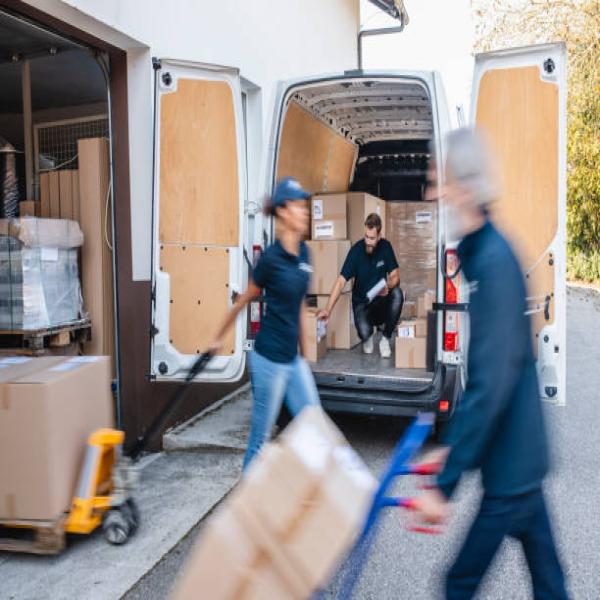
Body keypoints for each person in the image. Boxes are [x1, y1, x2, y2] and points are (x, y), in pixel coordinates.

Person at [413, 128, 568, 599]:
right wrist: (450, 449)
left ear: (462, 185)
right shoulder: (482, 252)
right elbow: (491, 373)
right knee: (549, 584)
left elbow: (491, 382)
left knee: (458, 583)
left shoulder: (493, 260)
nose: (433, 190)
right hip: (517, 460)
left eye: (439, 178)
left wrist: (444, 484)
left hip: (511, 467)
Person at [208, 177, 320, 470]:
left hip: (292, 361)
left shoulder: (305, 253)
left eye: (304, 206)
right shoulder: (271, 259)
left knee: (314, 425)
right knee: (260, 441)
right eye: (299, 206)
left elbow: (299, 306)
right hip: (268, 360)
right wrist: (218, 337)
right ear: (283, 212)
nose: (305, 212)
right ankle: (246, 508)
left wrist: (306, 359)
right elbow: (243, 300)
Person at [317, 213, 403, 358]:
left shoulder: (385, 247)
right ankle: (367, 336)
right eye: (366, 237)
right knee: (365, 335)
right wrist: (327, 310)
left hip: (380, 300)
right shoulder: (356, 251)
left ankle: (385, 338)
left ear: (379, 236)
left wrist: (387, 286)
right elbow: (340, 282)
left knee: (398, 294)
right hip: (362, 304)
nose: (368, 241)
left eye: (372, 238)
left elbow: (395, 276)